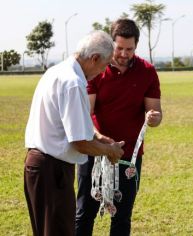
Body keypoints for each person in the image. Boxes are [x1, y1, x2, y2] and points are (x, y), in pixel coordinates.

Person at [24, 30, 125, 236]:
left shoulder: (56, 71)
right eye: (105, 65)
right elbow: (79, 142)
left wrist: (98, 137)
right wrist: (109, 150)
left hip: (40, 166)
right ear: (95, 58)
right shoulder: (73, 82)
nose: (103, 72)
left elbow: (69, 122)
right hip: (52, 169)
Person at [75, 18, 162, 236]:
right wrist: (101, 140)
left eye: (129, 49)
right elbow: (87, 113)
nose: (124, 54)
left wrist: (154, 117)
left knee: (122, 216)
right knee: (85, 212)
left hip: (128, 155)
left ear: (136, 45)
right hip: (94, 152)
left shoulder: (147, 71)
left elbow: (156, 112)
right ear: (111, 44)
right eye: (119, 48)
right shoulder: (97, 70)